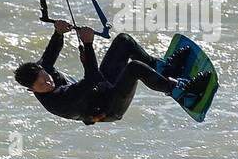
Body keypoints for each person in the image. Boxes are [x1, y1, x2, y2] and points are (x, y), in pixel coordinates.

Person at [14, 21, 208, 124]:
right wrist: (88, 45)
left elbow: (50, 54)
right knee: (134, 68)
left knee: (123, 41)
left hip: (101, 87)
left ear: (41, 69)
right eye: (41, 86)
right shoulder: (57, 99)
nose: (47, 83)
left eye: (45, 77)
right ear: (32, 90)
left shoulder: (42, 69)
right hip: (108, 107)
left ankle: (163, 69)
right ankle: (182, 91)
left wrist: (58, 32)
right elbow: (91, 79)